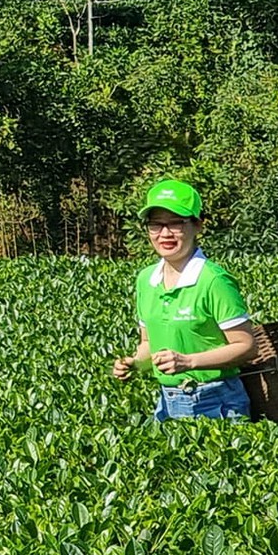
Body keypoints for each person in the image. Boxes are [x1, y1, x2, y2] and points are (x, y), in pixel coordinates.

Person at [112, 179, 257, 421]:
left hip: (217, 401)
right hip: (167, 402)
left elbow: (246, 346)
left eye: (176, 223)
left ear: (197, 225)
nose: (164, 234)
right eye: (156, 224)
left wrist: (189, 361)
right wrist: (135, 363)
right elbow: (149, 344)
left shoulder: (213, 280)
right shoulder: (146, 280)